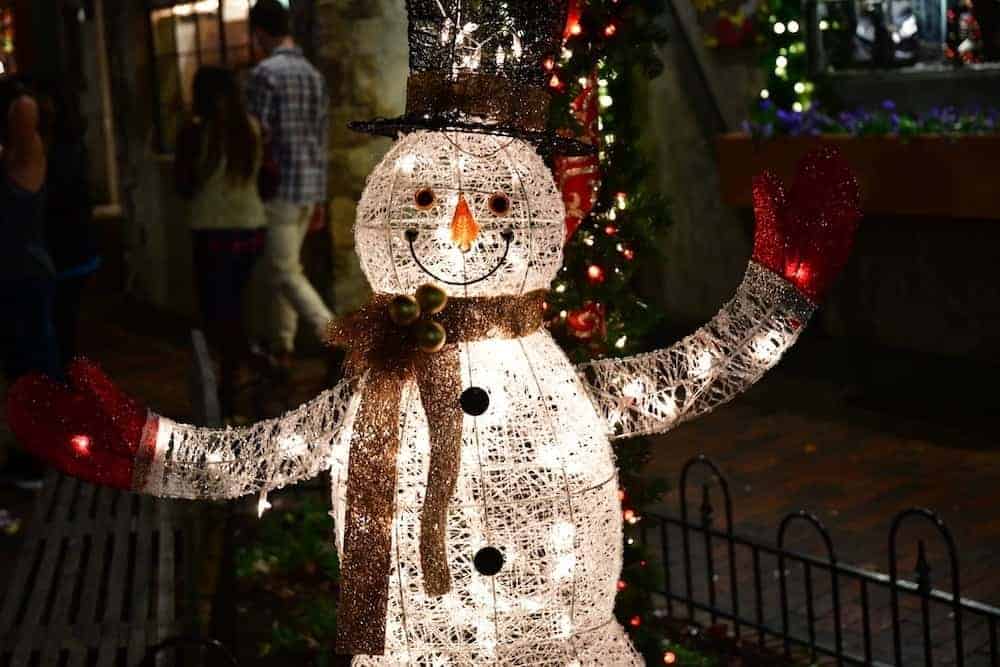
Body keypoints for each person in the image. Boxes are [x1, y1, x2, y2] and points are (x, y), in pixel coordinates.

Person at [175, 66, 268, 420]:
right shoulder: (252, 129)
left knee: (218, 316)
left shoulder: (195, 133)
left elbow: (183, 186)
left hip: (213, 233)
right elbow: (267, 179)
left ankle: (234, 386)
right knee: (235, 310)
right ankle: (246, 371)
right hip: (251, 229)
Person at [246, 0, 332, 372]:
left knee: (283, 271)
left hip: (278, 187)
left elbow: (256, 135)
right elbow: (321, 137)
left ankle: (336, 336)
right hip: (309, 186)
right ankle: (283, 347)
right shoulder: (312, 75)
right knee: (285, 266)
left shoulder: (264, 74)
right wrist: (321, 199)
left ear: (260, 33)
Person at [0, 76, 54, 490]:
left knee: (30, 367)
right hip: (19, 273)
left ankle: (36, 458)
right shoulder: (18, 154)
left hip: (24, 273)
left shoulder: (27, 151)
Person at [36, 79, 100, 367]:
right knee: (64, 323)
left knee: (63, 325)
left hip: (64, 249)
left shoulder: (61, 151)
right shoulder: (68, 147)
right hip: (69, 247)